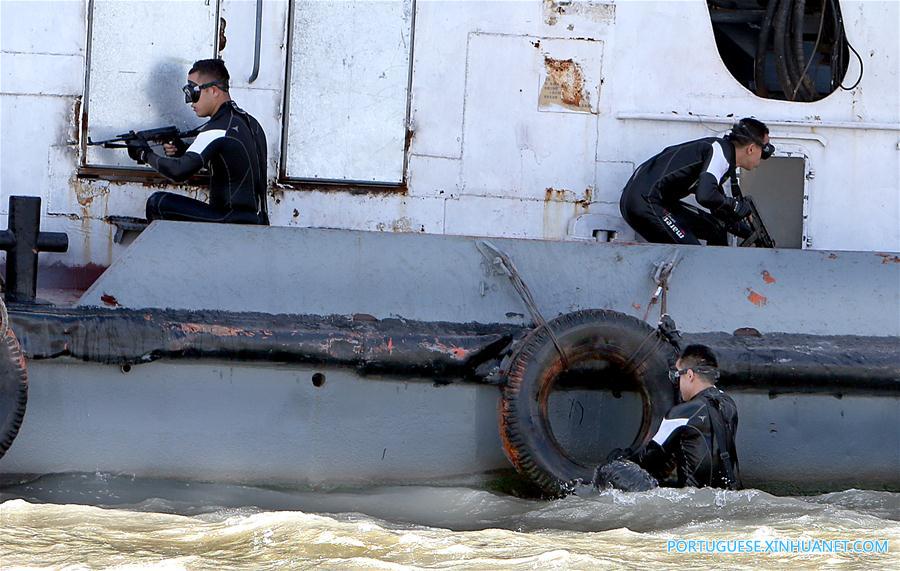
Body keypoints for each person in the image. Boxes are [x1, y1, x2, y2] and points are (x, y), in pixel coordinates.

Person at [126, 59, 269, 225]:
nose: (190, 102)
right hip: (256, 220)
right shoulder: (251, 123)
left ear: (214, 90)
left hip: (230, 221)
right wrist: (183, 150)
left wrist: (144, 154)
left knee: (157, 202)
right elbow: (232, 167)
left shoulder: (218, 128)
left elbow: (178, 172)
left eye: (193, 92)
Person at [601, 344, 742, 490]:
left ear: (689, 375)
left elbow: (649, 458)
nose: (677, 384)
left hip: (691, 501)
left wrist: (622, 457)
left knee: (612, 468)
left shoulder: (681, 414)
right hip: (725, 495)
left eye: (676, 377)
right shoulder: (729, 405)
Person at [619, 118, 773, 245]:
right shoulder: (719, 152)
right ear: (751, 148)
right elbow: (705, 195)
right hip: (645, 201)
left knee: (715, 229)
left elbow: (717, 208)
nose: (763, 157)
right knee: (691, 252)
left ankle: (718, 275)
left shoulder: (724, 158)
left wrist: (749, 232)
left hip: (656, 201)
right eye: (764, 150)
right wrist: (735, 205)